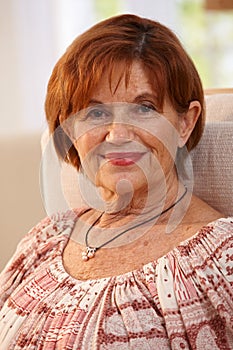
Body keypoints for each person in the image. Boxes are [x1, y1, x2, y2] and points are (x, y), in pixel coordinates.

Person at [0, 14, 232, 350]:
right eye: (95, 113)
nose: (118, 135)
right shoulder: (44, 241)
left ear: (184, 123)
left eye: (144, 108)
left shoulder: (221, 258)